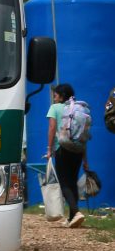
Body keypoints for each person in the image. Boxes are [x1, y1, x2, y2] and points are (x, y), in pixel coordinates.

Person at [45, 84, 90, 228]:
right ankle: (72, 218)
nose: (54, 97)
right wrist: (85, 159)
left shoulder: (55, 108)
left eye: (56, 94)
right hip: (77, 150)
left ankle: (76, 213)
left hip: (62, 148)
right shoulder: (79, 109)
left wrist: (49, 149)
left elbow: (52, 128)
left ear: (62, 96)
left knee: (64, 183)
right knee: (72, 182)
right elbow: (83, 136)